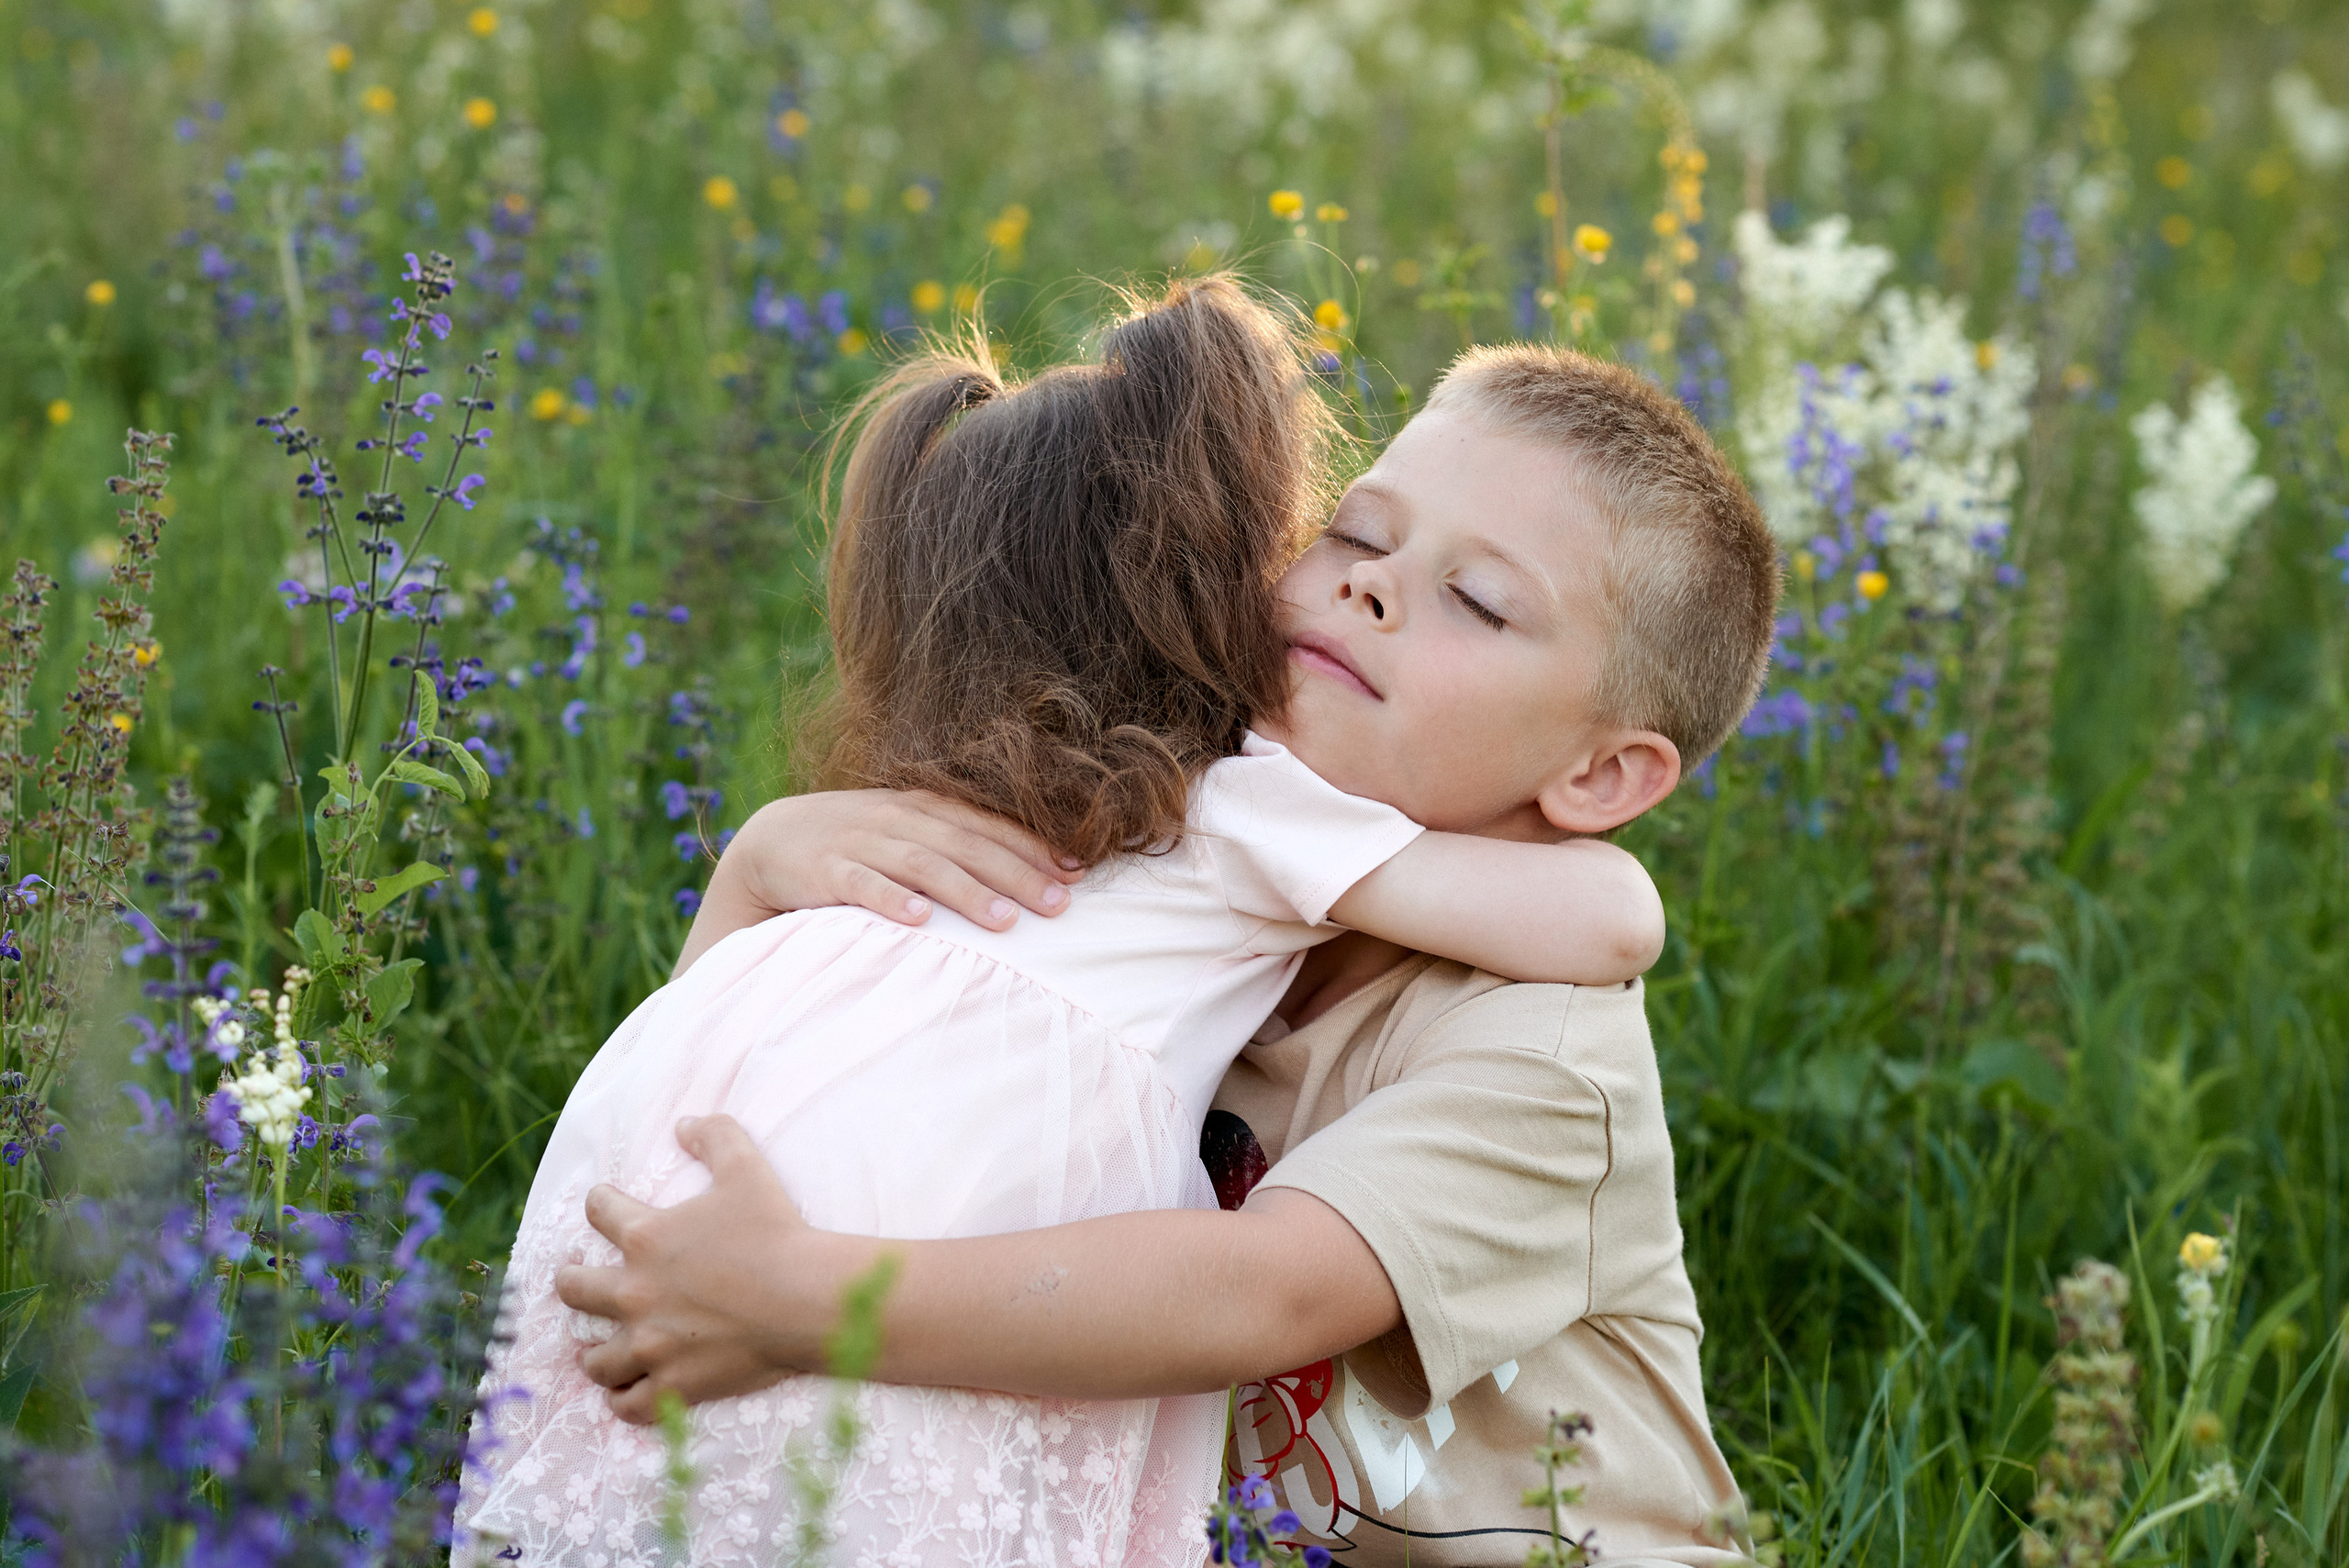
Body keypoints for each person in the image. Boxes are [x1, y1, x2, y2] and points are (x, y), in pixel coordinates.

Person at [455, 284, 1670, 1568]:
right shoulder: (1213, 806)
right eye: (1349, 535)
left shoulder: (1527, 1043)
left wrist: (797, 1286)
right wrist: (757, 868)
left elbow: (1271, 1288)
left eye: (1478, 599)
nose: (1371, 587)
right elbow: (1611, 912)